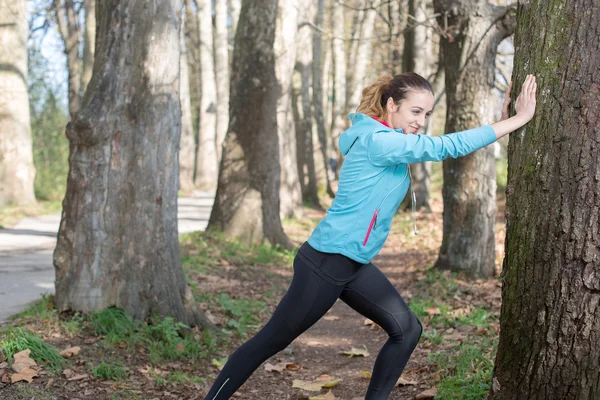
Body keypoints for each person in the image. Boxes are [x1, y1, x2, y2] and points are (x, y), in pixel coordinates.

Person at [204, 72, 537, 400]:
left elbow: (444, 144)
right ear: (391, 105)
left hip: (353, 264)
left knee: (407, 329)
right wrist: (517, 120)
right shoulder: (380, 141)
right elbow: (445, 146)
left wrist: (504, 122)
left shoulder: (384, 138)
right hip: (326, 263)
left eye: (427, 114)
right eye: (415, 112)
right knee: (269, 342)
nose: (421, 121)